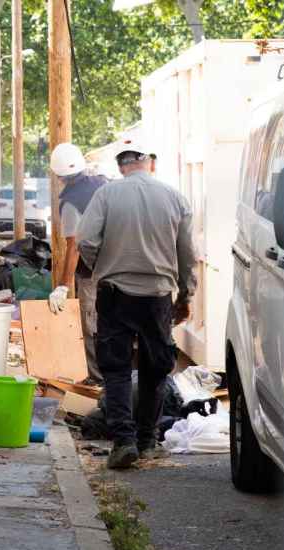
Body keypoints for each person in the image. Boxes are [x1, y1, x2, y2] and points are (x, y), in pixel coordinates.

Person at [76, 136, 197, 469]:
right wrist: (186, 296)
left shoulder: (106, 194)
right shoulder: (175, 198)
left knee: (115, 370)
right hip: (157, 296)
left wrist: (102, 265)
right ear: (151, 162)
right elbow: (189, 256)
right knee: (154, 370)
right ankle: (146, 441)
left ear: (120, 165)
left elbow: (86, 241)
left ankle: (123, 442)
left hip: (115, 294)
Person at [47, 142, 109, 385]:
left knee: (91, 322)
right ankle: (119, 376)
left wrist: (63, 284)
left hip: (93, 271)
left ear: (58, 175)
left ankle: (98, 378)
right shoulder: (103, 183)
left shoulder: (71, 202)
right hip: (121, 264)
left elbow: (74, 246)